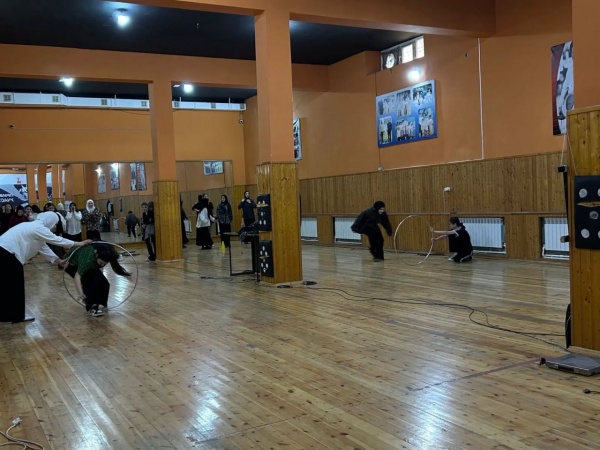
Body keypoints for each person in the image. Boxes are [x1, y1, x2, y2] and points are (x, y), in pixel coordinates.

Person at [0, 212, 92, 323]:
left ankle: (5, 315)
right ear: (50, 221)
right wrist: (80, 243)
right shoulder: (38, 227)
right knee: (15, 286)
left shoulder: (34, 227)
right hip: (8, 253)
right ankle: (16, 316)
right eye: (55, 224)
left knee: (6, 285)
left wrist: (58, 261)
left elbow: (43, 247)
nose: (55, 227)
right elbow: (57, 240)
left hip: (5, 251)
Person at [64, 242, 130, 317]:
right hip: (71, 264)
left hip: (88, 262)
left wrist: (99, 279)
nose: (102, 265)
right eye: (101, 262)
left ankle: (101, 304)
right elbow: (77, 276)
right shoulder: (87, 260)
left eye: (104, 264)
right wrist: (80, 293)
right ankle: (92, 307)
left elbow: (99, 273)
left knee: (104, 283)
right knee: (89, 281)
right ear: (97, 255)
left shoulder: (105, 254)